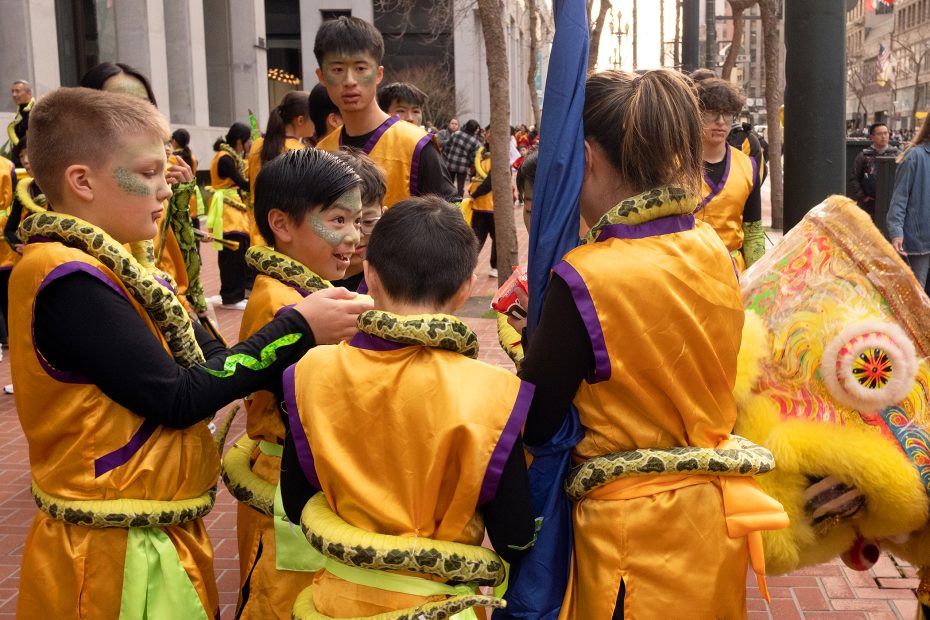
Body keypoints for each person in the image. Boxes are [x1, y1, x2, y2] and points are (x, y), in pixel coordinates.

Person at [10, 86, 370, 619]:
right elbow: (180, 397)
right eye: (149, 173)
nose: (168, 188)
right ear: (81, 182)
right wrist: (296, 327)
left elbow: (212, 360)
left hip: (152, 531)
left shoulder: (120, 266)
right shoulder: (68, 278)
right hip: (113, 553)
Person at [518, 69, 787, 618]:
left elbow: (539, 419)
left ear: (585, 157)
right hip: (711, 528)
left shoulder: (586, 276)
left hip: (628, 547)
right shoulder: (710, 245)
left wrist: (533, 341)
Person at [280, 196, 536, 617]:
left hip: (336, 603)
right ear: (465, 289)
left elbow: (295, 503)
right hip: (444, 606)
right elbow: (514, 536)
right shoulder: (495, 392)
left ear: (370, 275)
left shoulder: (313, 370)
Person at [233, 148, 365, 619]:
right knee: (279, 600)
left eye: (357, 220)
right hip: (285, 487)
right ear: (283, 225)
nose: (352, 236)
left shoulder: (305, 292)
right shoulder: (285, 306)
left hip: (298, 482)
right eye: (337, 219)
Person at [80, 62, 201, 311]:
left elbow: (182, 262)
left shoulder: (164, 182)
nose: (137, 118)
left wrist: (180, 200)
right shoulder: (78, 199)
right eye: (119, 107)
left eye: (144, 106)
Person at [312, 16, 457, 207]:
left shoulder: (416, 146)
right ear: (321, 76)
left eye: (360, 68)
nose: (349, 80)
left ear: (379, 74)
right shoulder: (321, 153)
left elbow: (453, 217)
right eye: (337, 69)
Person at [694, 78, 764, 272]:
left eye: (727, 114)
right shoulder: (675, 165)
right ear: (696, 114)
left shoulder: (747, 167)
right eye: (712, 113)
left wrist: (757, 280)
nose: (720, 122)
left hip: (732, 273)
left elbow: (753, 231)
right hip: (687, 272)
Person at [247, 91, 313, 247]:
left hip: (258, 234)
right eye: (313, 119)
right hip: (288, 236)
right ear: (300, 120)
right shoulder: (301, 152)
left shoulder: (258, 145)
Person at [207, 122, 252, 309]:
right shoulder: (226, 159)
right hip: (227, 211)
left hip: (232, 210)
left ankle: (233, 293)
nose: (250, 143)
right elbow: (243, 183)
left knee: (235, 252)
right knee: (232, 253)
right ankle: (231, 297)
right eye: (248, 140)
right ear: (240, 141)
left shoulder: (227, 156)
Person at [329, 148, 387, 292]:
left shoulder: (394, 279)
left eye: (367, 222)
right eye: (340, 220)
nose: (356, 236)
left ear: (384, 217)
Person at [888, 113, 930, 287]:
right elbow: (899, 198)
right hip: (919, 241)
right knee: (915, 294)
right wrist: (896, 232)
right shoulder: (914, 156)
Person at [465, 145, 502, 278]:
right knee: (477, 238)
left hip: (490, 207)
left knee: (485, 238)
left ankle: (494, 267)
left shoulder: (496, 161)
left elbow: (489, 183)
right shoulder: (481, 162)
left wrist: (474, 194)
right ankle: (469, 267)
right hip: (481, 207)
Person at [848, 122, 899, 217]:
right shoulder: (863, 156)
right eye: (879, 134)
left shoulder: (897, 155)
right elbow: (854, 178)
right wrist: (863, 197)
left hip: (892, 203)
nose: (883, 136)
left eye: (886, 133)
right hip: (869, 205)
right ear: (872, 136)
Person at [442, 119, 483, 196]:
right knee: (460, 186)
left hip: (451, 163)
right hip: (463, 166)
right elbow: (473, 157)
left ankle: (447, 199)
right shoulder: (475, 141)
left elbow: (447, 146)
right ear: (474, 129)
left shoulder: (456, 134)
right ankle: (458, 202)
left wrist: (448, 156)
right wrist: (470, 164)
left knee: (449, 183)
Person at [6, 80, 34, 167]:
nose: (14, 95)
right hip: (20, 157)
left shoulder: (36, 111)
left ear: (29, 93)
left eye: (17, 91)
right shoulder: (20, 111)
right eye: (12, 91)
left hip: (31, 158)